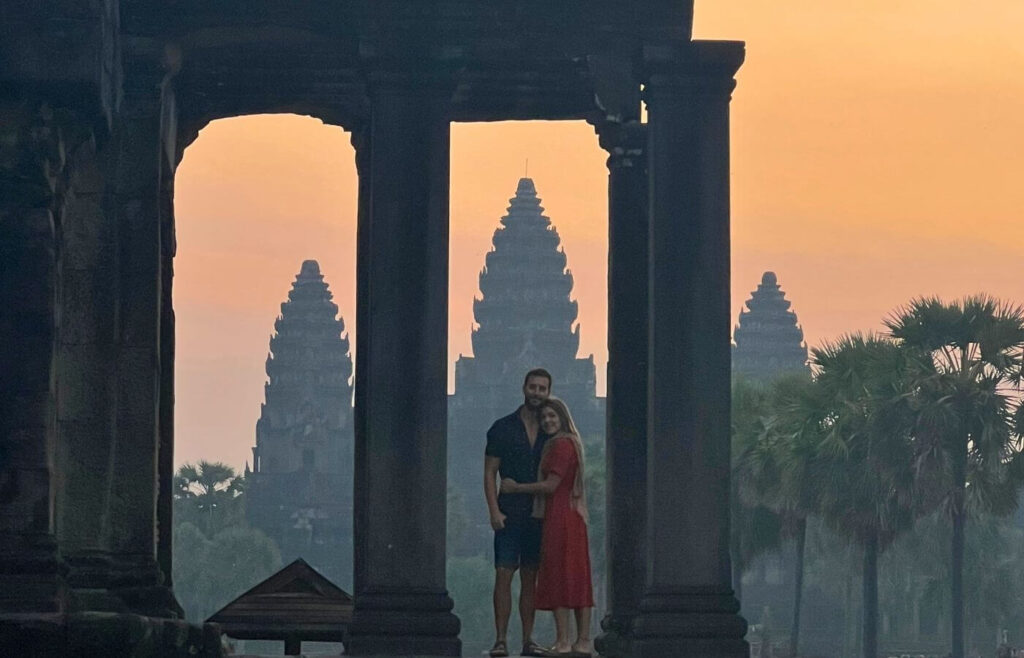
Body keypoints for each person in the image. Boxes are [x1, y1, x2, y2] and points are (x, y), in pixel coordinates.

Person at [501, 397, 594, 657]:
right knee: (576, 575)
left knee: (560, 575)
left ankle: (565, 641)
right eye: (544, 418)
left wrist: (516, 487)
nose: (548, 421)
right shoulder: (570, 443)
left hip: (561, 516)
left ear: (563, 418)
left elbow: (551, 486)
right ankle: (582, 641)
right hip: (570, 515)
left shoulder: (561, 445)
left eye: (552, 416)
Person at [484, 368, 553, 658]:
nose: (537, 393)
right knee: (503, 572)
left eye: (542, 389)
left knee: (530, 576)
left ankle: (528, 640)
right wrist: (493, 510)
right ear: (524, 388)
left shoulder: (553, 429)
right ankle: (500, 640)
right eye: (533, 387)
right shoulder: (503, 427)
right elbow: (490, 473)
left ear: (548, 393)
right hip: (509, 511)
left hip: (538, 512)